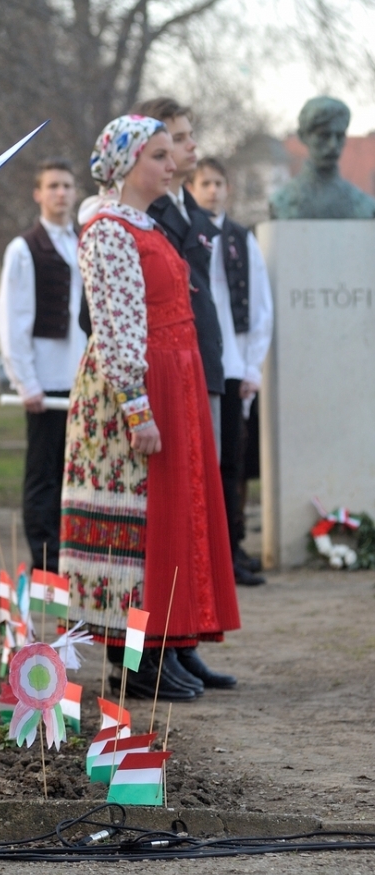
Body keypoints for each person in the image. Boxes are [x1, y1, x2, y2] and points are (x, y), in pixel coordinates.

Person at [59, 115, 240, 702]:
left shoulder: (141, 223)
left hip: (172, 376)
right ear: (130, 164)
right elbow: (114, 325)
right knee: (134, 528)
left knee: (165, 518)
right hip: (133, 385)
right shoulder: (108, 229)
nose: (171, 165)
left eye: (169, 154)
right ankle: (134, 661)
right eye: (159, 155)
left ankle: (162, 646)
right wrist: (136, 405)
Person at [0, 160, 86, 572]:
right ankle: (45, 561)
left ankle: (72, 554)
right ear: (38, 193)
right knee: (44, 475)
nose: (61, 193)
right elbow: (12, 318)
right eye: (52, 186)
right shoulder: (24, 248)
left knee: (77, 475)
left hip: (82, 378)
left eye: (67, 186)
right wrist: (25, 380)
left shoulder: (85, 241)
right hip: (45, 381)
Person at [187, 157, 273, 586]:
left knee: (233, 464)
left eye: (220, 183)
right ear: (193, 186)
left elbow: (260, 307)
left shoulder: (242, 239)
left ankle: (232, 546)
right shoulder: (187, 233)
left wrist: (253, 366)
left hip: (235, 363)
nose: (213, 190)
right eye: (205, 182)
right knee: (200, 462)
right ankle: (204, 550)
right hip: (199, 363)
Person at [133, 98, 225, 457]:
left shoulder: (195, 213)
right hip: (164, 372)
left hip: (204, 362)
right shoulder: (139, 215)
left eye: (191, 135)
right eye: (179, 137)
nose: (192, 146)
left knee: (211, 479)